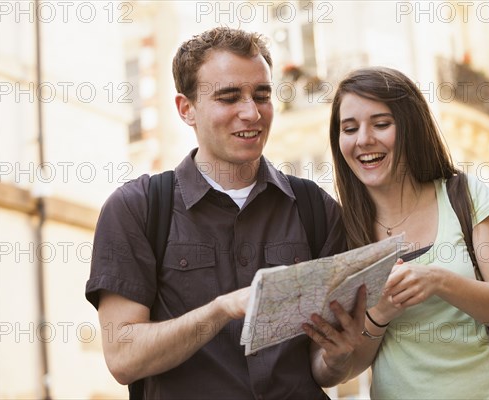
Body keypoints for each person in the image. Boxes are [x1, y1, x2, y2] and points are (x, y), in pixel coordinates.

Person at [85, 27, 348, 399]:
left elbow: (327, 366)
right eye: (228, 98)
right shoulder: (137, 208)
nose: (252, 112)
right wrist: (221, 310)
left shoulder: (315, 208)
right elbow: (124, 356)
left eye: (262, 95)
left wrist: (342, 354)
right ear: (186, 109)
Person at [303, 67, 489, 399]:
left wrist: (438, 280)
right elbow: (347, 368)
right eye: (349, 129)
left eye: (381, 124)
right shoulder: (343, 228)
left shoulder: (463, 197)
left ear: (411, 127)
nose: (363, 139)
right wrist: (380, 313)